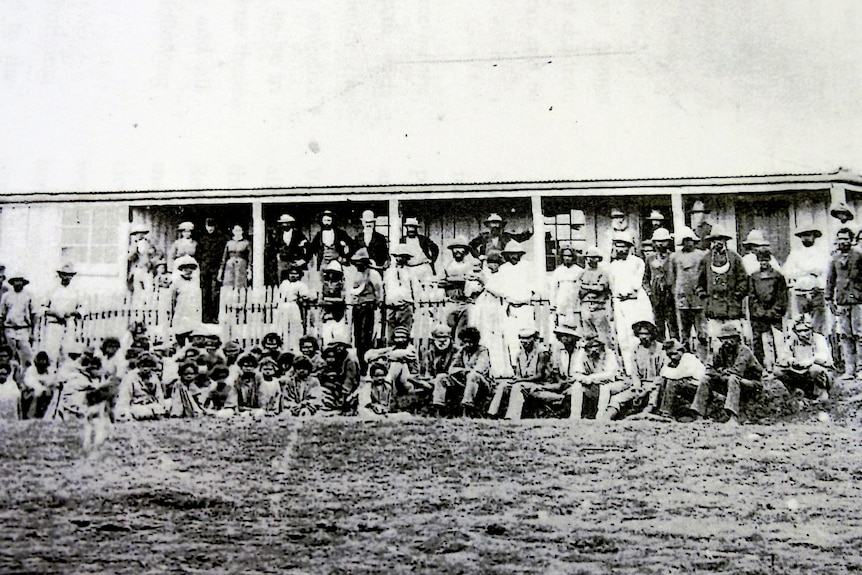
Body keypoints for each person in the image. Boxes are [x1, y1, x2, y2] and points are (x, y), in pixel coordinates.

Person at [683, 323, 763, 425]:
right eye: (724, 338)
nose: (726, 342)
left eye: (730, 338)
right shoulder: (720, 351)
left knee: (733, 378)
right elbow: (709, 369)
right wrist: (722, 372)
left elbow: (737, 372)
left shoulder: (744, 351)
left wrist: (721, 371)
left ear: (737, 339)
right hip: (729, 381)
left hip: (751, 384)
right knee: (705, 379)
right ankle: (699, 415)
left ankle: (733, 417)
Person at [696, 227, 749, 355]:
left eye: (720, 239)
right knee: (715, 341)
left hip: (731, 308)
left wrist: (737, 295)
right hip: (714, 309)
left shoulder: (735, 258)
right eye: (714, 240)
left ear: (725, 241)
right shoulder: (706, 259)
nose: (717, 242)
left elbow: (743, 280)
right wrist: (705, 299)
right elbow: (699, 283)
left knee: (735, 339)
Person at [606, 231, 653, 376]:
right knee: (623, 337)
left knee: (636, 335)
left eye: (624, 247)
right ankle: (629, 371)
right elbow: (612, 287)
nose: (621, 250)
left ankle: (643, 369)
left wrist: (629, 294)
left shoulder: (637, 262)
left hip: (635, 302)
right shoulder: (613, 265)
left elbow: (637, 284)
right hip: (620, 304)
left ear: (629, 247)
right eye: (618, 246)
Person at [605, 320, 666, 420]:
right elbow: (634, 372)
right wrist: (637, 386)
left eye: (646, 334)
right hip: (640, 385)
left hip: (656, 385)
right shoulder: (636, 350)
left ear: (652, 334)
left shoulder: (661, 349)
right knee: (617, 398)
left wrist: (647, 390)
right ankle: (605, 420)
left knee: (654, 394)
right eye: (640, 334)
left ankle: (645, 414)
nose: (643, 337)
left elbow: (662, 374)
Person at [488, 327, 552, 420]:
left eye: (527, 338)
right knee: (503, 385)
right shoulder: (520, 354)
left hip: (539, 384)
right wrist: (515, 379)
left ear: (534, 339)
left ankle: (511, 416)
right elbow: (518, 374)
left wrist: (520, 380)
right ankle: (492, 414)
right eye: (522, 339)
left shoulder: (542, 353)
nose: (524, 341)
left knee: (517, 387)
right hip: (524, 383)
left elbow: (539, 376)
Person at [825, 227, 862, 380]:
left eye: (846, 239)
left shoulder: (859, 256)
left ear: (851, 240)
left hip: (858, 301)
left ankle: (861, 369)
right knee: (845, 336)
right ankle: (850, 370)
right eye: (840, 239)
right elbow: (830, 280)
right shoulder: (834, 259)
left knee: (860, 335)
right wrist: (829, 299)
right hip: (841, 302)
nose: (843, 242)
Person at [467, 251, 512, 377]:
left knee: (495, 338)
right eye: (490, 263)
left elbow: (500, 292)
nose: (492, 266)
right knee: (484, 336)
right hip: (484, 310)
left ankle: (497, 369)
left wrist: (485, 282)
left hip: (495, 310)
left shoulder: (501, 276)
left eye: (495, 263)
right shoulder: (485, 275)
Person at [432, 326, 492, 417]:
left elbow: (480, 368)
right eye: (465, 342)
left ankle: (466, 410)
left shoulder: (482, 351)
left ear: (476, 341)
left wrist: (464, 371)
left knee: (473, 375)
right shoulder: (462, 351)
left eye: (470, 342)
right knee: (441, 377)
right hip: (465, 381)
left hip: (481, 384)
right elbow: (452, 369)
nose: (468, 344)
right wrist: (463, 371)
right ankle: (439, 408)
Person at [782, 226, 829, 335]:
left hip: (817, 292)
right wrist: (807, 272)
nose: (806, 238)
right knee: (800, 322)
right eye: (803, 236)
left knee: (819, 325)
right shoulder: (795, 254)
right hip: (800, 293)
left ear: (814, 237)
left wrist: (814, 273)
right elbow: (787, 271)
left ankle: (819, 348)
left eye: (808, 235)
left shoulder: (821, 253)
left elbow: (826, 270)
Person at [669, 226, 707, 356]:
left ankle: (703, 359)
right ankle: (686, 358)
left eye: (690, 240)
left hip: (698, 298)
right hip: (682, 298)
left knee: (702, 331)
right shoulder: (674, 257)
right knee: (684, 332)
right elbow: (672, 278)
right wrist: (677, 293)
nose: (688, 243)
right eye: (685, 240)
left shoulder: (701, 255)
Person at [568, 333, 625, 420]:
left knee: (604, 387)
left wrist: (593, 378)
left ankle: (601, 416)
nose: (594, 349)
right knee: (577, 386)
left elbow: (610, 374)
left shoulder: (609, 353)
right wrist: (586, 379)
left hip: (613, 383)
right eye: (591, 347)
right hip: (591, 382)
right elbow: (575, 373)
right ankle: (575, 416)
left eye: (597, 346)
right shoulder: (582, 354)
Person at [774, 318, 832, 403]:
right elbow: (783, 356)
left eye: (806, 330)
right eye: (799, 331)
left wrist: (809, 361)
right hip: (799, 370)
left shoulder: (818, 339)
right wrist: (792, 360)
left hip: (818, 371)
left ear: (811, 330)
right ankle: (795, 393)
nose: (803, 333)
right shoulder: (792, 340)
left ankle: (821, 393)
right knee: (778, 371)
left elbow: (823, 357)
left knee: (815, 370)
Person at [748, 247, 789, 368]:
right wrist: (759, 310)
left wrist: (774, 311)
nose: (763, 263)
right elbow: (752, 295)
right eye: (761, 260)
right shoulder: (754, 277)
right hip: (759, 314)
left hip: (773, 313)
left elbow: (782, 296)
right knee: (757, 341)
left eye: (765, 260)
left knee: (777, 340)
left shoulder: (778, 276)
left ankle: (779, 365)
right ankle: (759, 367)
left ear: (769, 260)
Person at [348, 248, 383, 371]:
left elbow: (379, 290)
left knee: (366, 336)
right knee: (357, 336)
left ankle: (367, 363)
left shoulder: (373, 274)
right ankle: (360, 364)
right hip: (357, 307)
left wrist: (378, 302)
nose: (357, 265)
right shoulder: (356, 274)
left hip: (368, 307)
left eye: (359, 263)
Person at [654, 338, 706, 419]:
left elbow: (677, 374)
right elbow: (662, 373)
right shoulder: (675, 362)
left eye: (674, 353)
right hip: (688, 385)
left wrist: (666, 370)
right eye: (669, 354)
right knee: (664, 380)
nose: (672, 357)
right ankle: (659, 409)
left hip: (699, 388)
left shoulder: (688, 358)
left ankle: (667, 413)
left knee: (672, 382)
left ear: (681, 351)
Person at [43, 263, 83, 365]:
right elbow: (42, 307)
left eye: (69, 275)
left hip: (69, 324)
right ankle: (51, 374)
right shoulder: (52, 290)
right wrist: (54, 313)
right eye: (64, 274)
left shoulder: (76, 291)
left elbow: (82, 307)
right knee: (51, 352)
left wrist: (74, 312)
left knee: (67, 352)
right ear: (60, 275)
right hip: (54, 324)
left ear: (72, 276)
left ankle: (64, 376)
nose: (66, 277)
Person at [364, 326, 420, 396]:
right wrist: (376, 356)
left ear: (407, 338)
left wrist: (379, 356)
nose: (400, 340)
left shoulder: (410, 350)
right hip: (399, 380)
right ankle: (370, 387)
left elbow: (396, 354)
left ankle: (385, 387)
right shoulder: (394, 348)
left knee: (397, 364)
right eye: (397, 337)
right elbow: (369, 355)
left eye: (403, 337)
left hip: (411, 380)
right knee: (377, 363)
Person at [643, 228, 677, 341]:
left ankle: (675, 347)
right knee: (658, 324)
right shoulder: (650, 258)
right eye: (658, 241)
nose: (661, 243)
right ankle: (660, 348)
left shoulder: (673, 257)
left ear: (669, 242)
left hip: (670, 295)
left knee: (673, 324)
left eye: (664, 241)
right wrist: (649, 292)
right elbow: (645, 279)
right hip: (656, 296)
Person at [115, 353, 168, 420]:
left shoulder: (154, 376)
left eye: (148, 366)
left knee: (164, 407)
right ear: (139, 365)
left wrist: (162, 406)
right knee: (142, 412)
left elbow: (159, 394)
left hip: (151, 403)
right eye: (143, 366)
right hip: (137, 404)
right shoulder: (131, 376)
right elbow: (125, 396)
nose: (145, 369)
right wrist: (124, 410)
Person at [578, 246, 613, 345]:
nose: (590, 260)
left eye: (594, 257)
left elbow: (600, 288)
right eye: (588, 257)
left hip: (599, 306)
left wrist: (586, 287)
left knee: (603, 336)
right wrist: (591, 287)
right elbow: (579, 289)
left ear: (598, 259)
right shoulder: (582, 273)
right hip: (585, 306)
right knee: (588, 335)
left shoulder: (603, 273)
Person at [0, 273, 35, 367]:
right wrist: (2, 333)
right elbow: (2, 315)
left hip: (24, 329)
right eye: (16, 281)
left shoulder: (28, 296)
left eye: (20, 280)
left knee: (26, 356)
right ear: (12, 282)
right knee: (11, 356)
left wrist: (33, 333)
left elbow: (33, 315)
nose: (18, 283)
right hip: (9, 329)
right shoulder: (6, 296)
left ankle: (25, 376)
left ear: (23, 282)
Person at [384, 245, 417, 344]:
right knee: (390, 331)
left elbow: (415, 288)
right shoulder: (389, 272)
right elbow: (386, 287)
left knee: (404, 331)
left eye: (402, 256)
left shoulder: (410, 272)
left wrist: (414, 303)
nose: (399, 259)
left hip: (405, 305)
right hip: (391, 305)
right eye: (397, 256)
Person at [318, 339, 360, 415]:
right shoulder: (337, 358)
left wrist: (344, 395)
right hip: (336, 387)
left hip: (347, 389)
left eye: (341, 346)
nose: (339, 348)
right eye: (336, 346)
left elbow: (349, 380)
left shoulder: (350, 361)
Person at [265, 213, 310, 285]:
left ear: (291, 223)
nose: (284, 225)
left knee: (296, 283)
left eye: (286, 223)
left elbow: (308, 248)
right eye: (283, 223)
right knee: (282, 283)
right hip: (282, 263)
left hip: (295, 262)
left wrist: (303, 260)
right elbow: (272, 247)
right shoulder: (278, 235)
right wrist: (277, 256)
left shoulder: (298, 234)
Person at [169, 256, 203, 347]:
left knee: (192, 333)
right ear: (182, 269)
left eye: (191, 268)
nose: (189, 271)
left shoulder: (195, 282)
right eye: (186, 268)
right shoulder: (176, 282)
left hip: (191, 312)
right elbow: (172, 300)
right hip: (181, 311)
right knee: (180, 333)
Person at [277, 265, 311, 352]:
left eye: (296, 274)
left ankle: (295, 346)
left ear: (299, 275)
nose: (293, 276)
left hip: (293, 306)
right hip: (282, 306)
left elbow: (306, 295)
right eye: (291, 273)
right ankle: (284, 346)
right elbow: (279, 295)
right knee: (282, 327)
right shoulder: (284, 283)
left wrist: (302, 298)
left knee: (295, 326)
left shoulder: (300, 285)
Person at [198, 218, 225, 323]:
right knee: (205, 293)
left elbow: (222, 255)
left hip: (215, 269)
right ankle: (205, 317)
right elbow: (199, 255)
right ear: (205, 226)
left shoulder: (221, 239)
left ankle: (214, 316)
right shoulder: (202, 239)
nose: (210, 228)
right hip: (204, 269)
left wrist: (220, 269)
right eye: (208, 226)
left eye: (212, 226)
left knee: (214, 293)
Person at [550, 247, 583, 329]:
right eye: (565, 256)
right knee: (562, 325)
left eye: (569, 256)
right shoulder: (558, 271)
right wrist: (553, 304)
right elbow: (554, 289)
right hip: (562, 302)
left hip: (574, 303)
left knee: (575, 326)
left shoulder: (579, 271)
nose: (567, 258)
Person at [127, 223, 158, 298]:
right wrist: (134, 250)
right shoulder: (133, 245)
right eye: (137, 234)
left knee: (149, 288)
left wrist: (151, 261)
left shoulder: (149, 244)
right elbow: (130, 257)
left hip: (147, 269)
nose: (139, 235)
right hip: (137, 268)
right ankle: (138, 307)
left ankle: (148, 306)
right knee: (137, 289)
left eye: (141, 233)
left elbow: (157, 254)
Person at [20, 351, 55, 419]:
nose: (42, 362)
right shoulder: (31, 370)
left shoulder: (48, 372)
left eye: (44, 360)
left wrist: (45, 386)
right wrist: (40, 387)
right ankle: (30, 416)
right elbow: (29, 382)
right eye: (41, 360)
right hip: (31, 393)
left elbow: (50, 382)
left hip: (43, 394)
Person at [218, 224, 251, 289]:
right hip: (230, 266)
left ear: (242, 231)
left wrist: (249, 270)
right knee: (229, 284)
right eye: (236, 231)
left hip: (241, 266)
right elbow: (224, 257)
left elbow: (250, 257)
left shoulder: (246, 243)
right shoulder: (229, 243)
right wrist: (221, 270)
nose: (238, 232)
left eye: (239, 231)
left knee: (239, 285)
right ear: (233, 231)